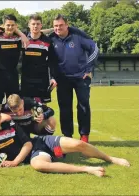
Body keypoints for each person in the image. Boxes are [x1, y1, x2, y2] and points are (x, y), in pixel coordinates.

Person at [0, 106, 130, 177]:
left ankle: (111, 158)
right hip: (35, 155)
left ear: (1, 117)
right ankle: (87, 169)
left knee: (78, 144)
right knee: (38, 165)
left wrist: (14, 162)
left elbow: (28, 144)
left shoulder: (10, 124)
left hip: (40, 142)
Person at [49, 14, 99, 143]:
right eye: (55, 26)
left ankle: (84, 135)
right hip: (62, 79)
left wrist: (88, 69)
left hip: (81, 77)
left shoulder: (78, 35)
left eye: (61, 25)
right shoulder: (51, 39)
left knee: (83, 106)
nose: (58, 28)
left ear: (67, 25)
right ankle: (67, 136)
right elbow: (47, 61)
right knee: (64, 108)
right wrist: (52, 77)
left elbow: (94, 48)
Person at [20, 14, 58, 104]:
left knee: (42, 108)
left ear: (41, 25)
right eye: (33, 24)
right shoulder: (22, 38)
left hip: (42, 80)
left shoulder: (48, 41)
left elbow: (52, 61)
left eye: (38, 24)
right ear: (29, 25)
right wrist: (20, 33)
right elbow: (5, 27)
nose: (35, 26)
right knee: (26, 107)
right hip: (26, 79)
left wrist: (53, 77)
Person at [0, 14, 22, 109]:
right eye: (8, 25)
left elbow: (38, 32)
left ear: (16, 26)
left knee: (13, 102)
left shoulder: (18, 37)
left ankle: (12, 122)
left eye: (12, 25)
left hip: (13, 74)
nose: (10, 27)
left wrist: (53, 30)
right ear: (3, 25)